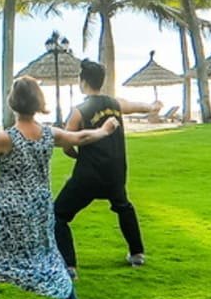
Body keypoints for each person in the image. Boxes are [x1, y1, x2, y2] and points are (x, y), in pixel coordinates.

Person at [0, 77, 119, 299]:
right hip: (41, 209)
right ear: (38, 103)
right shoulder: (48, 133)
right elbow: (81, 136)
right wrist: (105, 130)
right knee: (48, 254)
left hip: (11, 211)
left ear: (13, 103)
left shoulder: (4, 138)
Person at [55, 59, 162, 273]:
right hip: (115, 173)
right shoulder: (115, 104)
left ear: (82, 82)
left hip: (87, 175)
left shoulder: (79, 111)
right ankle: (137, 254)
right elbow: (137, 106)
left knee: (57, 216)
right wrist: (152, 107)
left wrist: (77, 157)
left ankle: (68, 266)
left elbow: (67, 143)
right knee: (123, 207)